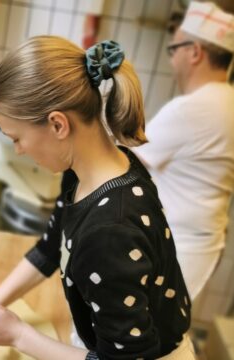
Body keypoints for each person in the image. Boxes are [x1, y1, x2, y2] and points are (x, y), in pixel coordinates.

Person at [0, 36, 195, 359]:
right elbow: (49, 248)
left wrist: (18, 334)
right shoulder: (87, 172)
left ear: (58, 124)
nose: (18, 150)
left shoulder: (110, 231)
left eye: (17, 138)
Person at [134, 1, 234, 300]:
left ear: (195, 52)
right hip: (203, 242)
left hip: (179, 245)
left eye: (174, 49)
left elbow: (124, 160)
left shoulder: (192, 108)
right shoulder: (227, 100)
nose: (171, 59)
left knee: (145, 335)